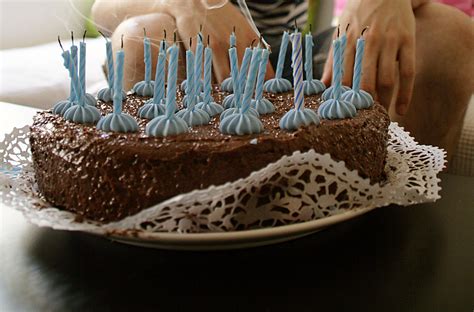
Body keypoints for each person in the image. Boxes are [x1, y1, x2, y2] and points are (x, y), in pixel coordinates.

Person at [91, 0, 473, 163]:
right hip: (197, 58)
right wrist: (191, 4)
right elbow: (103, 9)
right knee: (140, 38)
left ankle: (389, 243)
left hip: (297, 60)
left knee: (448, 37)